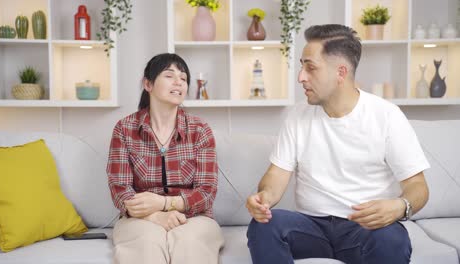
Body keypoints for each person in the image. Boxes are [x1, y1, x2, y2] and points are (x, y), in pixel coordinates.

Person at [246, 24, 430, 264]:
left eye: (310, 67)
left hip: (364, 228)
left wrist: (400, 206)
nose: (301, 76)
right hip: (311, 227)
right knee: (263, 226)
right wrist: (264, 198)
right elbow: (275, 176)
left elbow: (418, 186)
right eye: (302, 66)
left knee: (392, 239)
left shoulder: (387, 116)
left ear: (340, 73)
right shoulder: (297, 117)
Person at [107, 53, 224, 264]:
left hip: (194, 218)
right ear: (148, 84)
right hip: (139, 219)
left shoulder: (200, 130)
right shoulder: (125, 129)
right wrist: (154, 216)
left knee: (190, 244)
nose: (179, 81)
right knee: (146, 244)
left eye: (184, 78)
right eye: (169, 75)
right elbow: (120, 190)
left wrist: (164, 203)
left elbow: (206, 191)